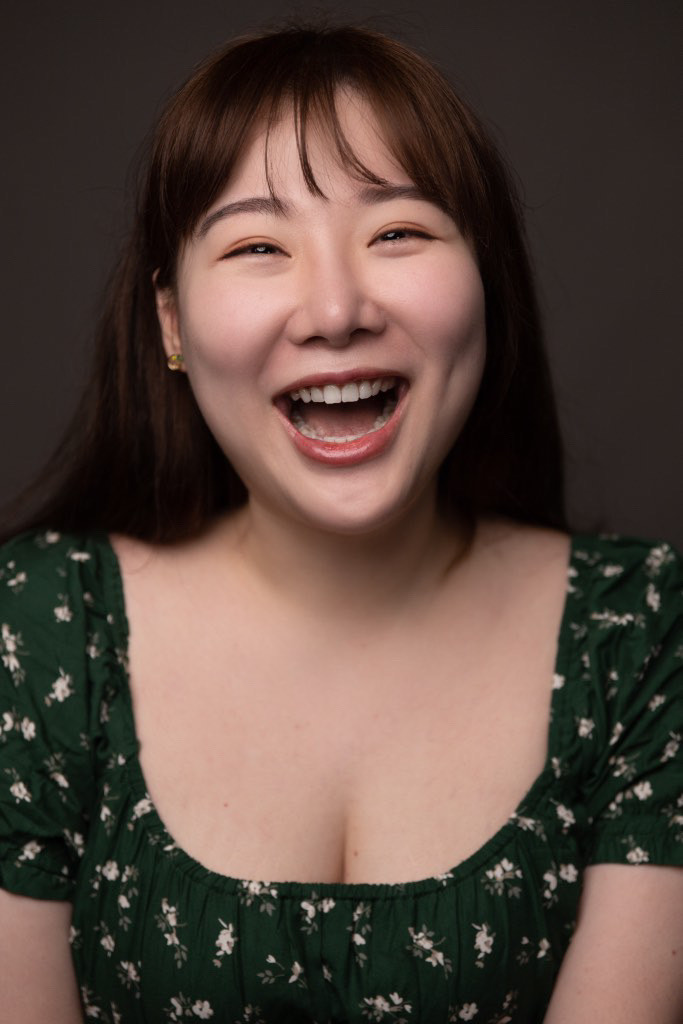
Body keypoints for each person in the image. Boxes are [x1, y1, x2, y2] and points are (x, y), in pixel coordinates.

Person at [0, 22, 680, 1023]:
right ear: (172, 324)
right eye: (256, 245)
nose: (332, 308)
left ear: (482, 276)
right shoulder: (43, 629)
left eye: (396, 232)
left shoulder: (639, 631)